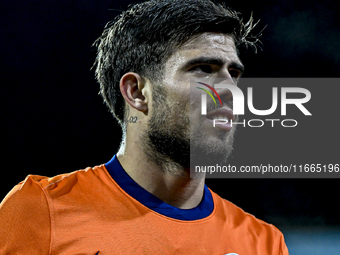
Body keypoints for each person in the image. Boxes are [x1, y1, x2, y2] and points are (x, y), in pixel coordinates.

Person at [0, 0, 289, 254]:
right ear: (137, 92)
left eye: (234, 73)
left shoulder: (263, 243)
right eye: (203, 69)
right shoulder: (40, 212)